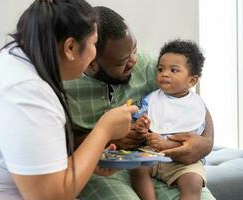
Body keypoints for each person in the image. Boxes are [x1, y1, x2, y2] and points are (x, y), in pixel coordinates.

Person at [0, 1, 139, 200]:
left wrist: (87, 161)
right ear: (70, 47)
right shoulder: (25, 92)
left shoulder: (14, 64)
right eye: (93, 43)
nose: (93, 56)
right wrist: (104, 130)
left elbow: (40, 167)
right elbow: (50, 197)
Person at [64, 6, 215, 200]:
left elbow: (190, 102)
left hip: (162, 163)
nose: (134, 61)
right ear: (91, 63)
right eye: (122, 61)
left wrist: (206, 143)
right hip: (102, 172)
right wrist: (107, 138)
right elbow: (59, 149)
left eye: (134, 50)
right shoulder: (64, 84)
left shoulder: (149, 67)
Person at [132, 39, 208, 200]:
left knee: (194, 180)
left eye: (174, 70)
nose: (164, 73)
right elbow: (139, 118)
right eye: (161, 69)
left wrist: (167, 144)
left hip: (183, 162)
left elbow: (193, 140)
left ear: (192, 80)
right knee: (137, 169)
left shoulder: (194, 106)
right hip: (152, 155)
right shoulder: (151, 100)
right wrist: (140, 125)